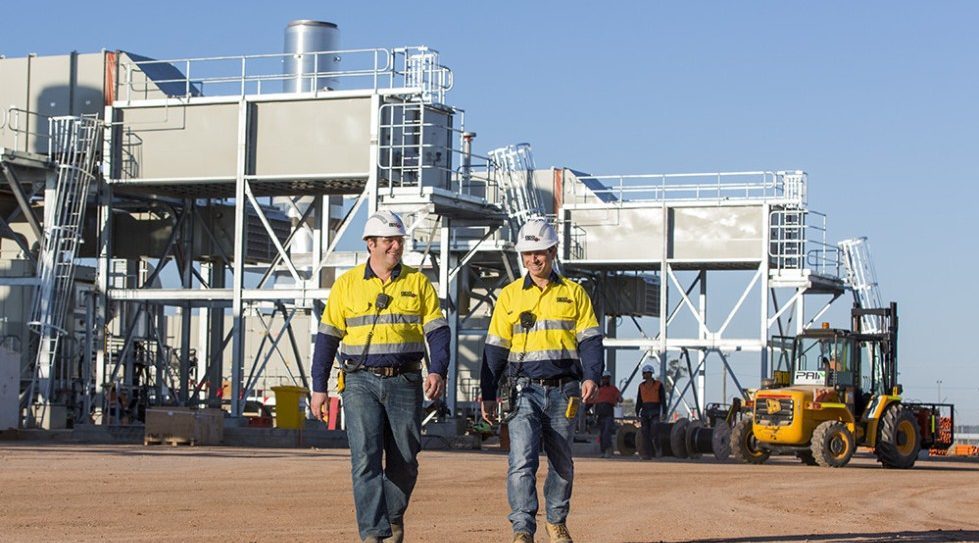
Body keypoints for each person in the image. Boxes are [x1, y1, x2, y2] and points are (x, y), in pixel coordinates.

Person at [310, 210, 449, 543]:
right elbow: (326, 339)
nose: (395, 247)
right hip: (359, 381)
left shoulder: (418, 283)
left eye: (399, 241)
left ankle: (392, 515)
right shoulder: (346, 285)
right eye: (389, 241)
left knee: (406, 459)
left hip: (406, 381)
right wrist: (318, 388)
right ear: (370, 244)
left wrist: (438, 369)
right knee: (365, 458)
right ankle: (373, 533)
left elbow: (438, 331)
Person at [480, 217, 603, 543]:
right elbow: (494, 349)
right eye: (528, 254)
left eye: (539, 253)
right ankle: (523, 529)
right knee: (522, 461)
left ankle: (556, 522)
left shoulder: (574, 294)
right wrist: (488, 392)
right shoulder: (509, 296)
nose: (534, 260)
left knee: (562, 462)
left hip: (565, 390)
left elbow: (590, 340)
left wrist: (592, 376)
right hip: (522, 391)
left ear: (552, 251)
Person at [587, 371, 622, 458]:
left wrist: (619, 398)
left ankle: (608, 450)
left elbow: (620, 398)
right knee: (602, 434)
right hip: (600, 414)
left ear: (609, 379)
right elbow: (591, 401)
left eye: (607, 378)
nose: (605, 380)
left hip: (609, 413)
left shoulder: (613, 389)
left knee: (606, 432)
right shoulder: (597, 389)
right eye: (604, 378)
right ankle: (603, 451)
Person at [636, 364, 666, 460]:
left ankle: (657, 449)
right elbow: (639, 400)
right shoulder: (641, 386)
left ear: (650, 374)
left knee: (654, 431)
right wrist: (637, 413)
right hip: (645, 411)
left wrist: (664, 412)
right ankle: (647, 454)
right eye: (643, 373)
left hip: (655, 411)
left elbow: (663, 399)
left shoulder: (659, 385)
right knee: (645, 433)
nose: (644, 375)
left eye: (645, 373)